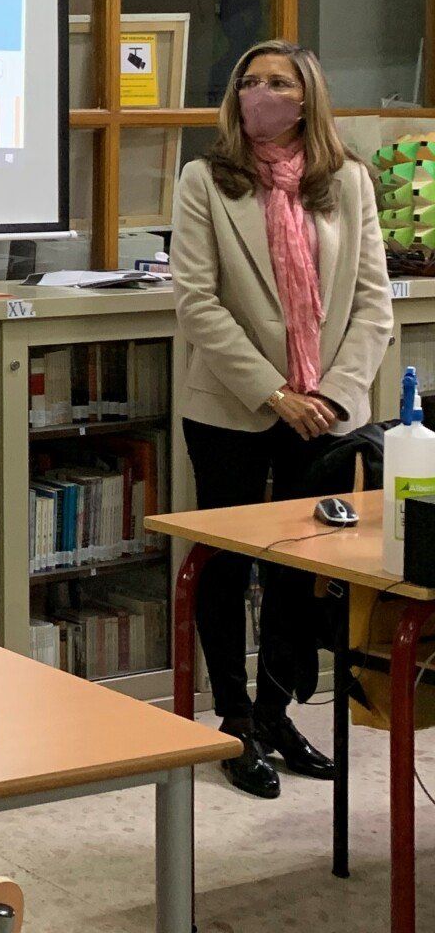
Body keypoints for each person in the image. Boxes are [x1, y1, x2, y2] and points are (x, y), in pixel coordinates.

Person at [172, 39, 391, 799]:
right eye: (249, 81)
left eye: (278, 82)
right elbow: (197, 301)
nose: (259, 93)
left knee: (301, 569)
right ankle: (234, 720)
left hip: (326, 414)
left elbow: (373, 303)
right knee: (225, 566)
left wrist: (332, 394)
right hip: (232, 407)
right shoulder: (205, 180)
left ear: (307, 99)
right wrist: (275, 393)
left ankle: (275, 714)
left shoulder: (348, 181)